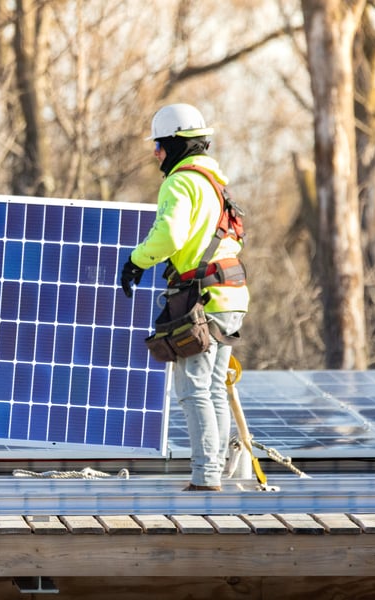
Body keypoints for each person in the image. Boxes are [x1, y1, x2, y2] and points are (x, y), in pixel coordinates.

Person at [119, 103, 249, 491]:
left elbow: (170, 236)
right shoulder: (213, 183)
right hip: (230, 294)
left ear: (175, 143)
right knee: (211, 389)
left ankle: (206, 478)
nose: (155, 153)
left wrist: (137, 260)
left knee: (194, 390)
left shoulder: (179, 183)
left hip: (202, 300)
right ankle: (216, 471)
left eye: (159, 145)